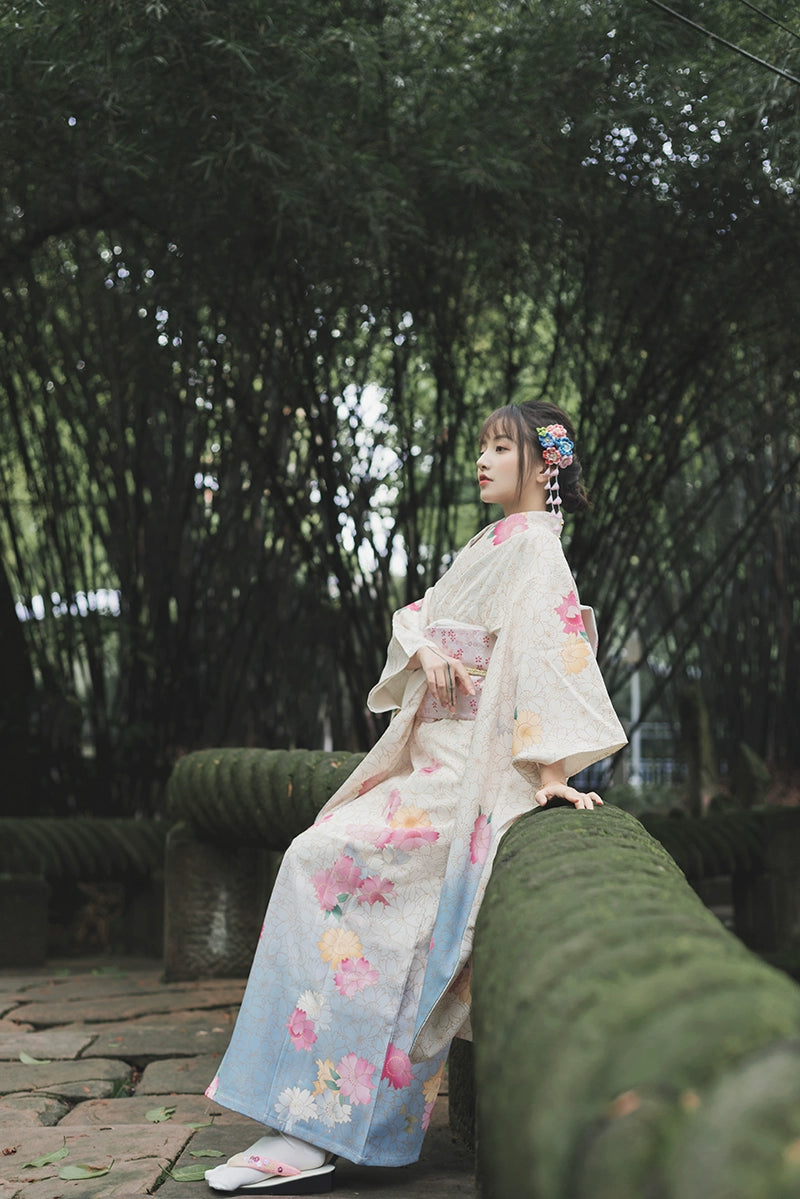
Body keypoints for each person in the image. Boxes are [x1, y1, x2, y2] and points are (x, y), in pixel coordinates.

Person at [204, 400, 627, 1194]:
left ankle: (318, 1120)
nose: (484, 459)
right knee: (312, 854)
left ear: (545, 464)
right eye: (483, 446)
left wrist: (549, 772)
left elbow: (550, 652)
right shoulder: (492, 541)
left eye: (502, 447)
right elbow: (419, 614)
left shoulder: (537, 550)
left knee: (331, 865)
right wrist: (429, 646)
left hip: (471, 772)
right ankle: (303, 1109)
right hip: (429, 759)